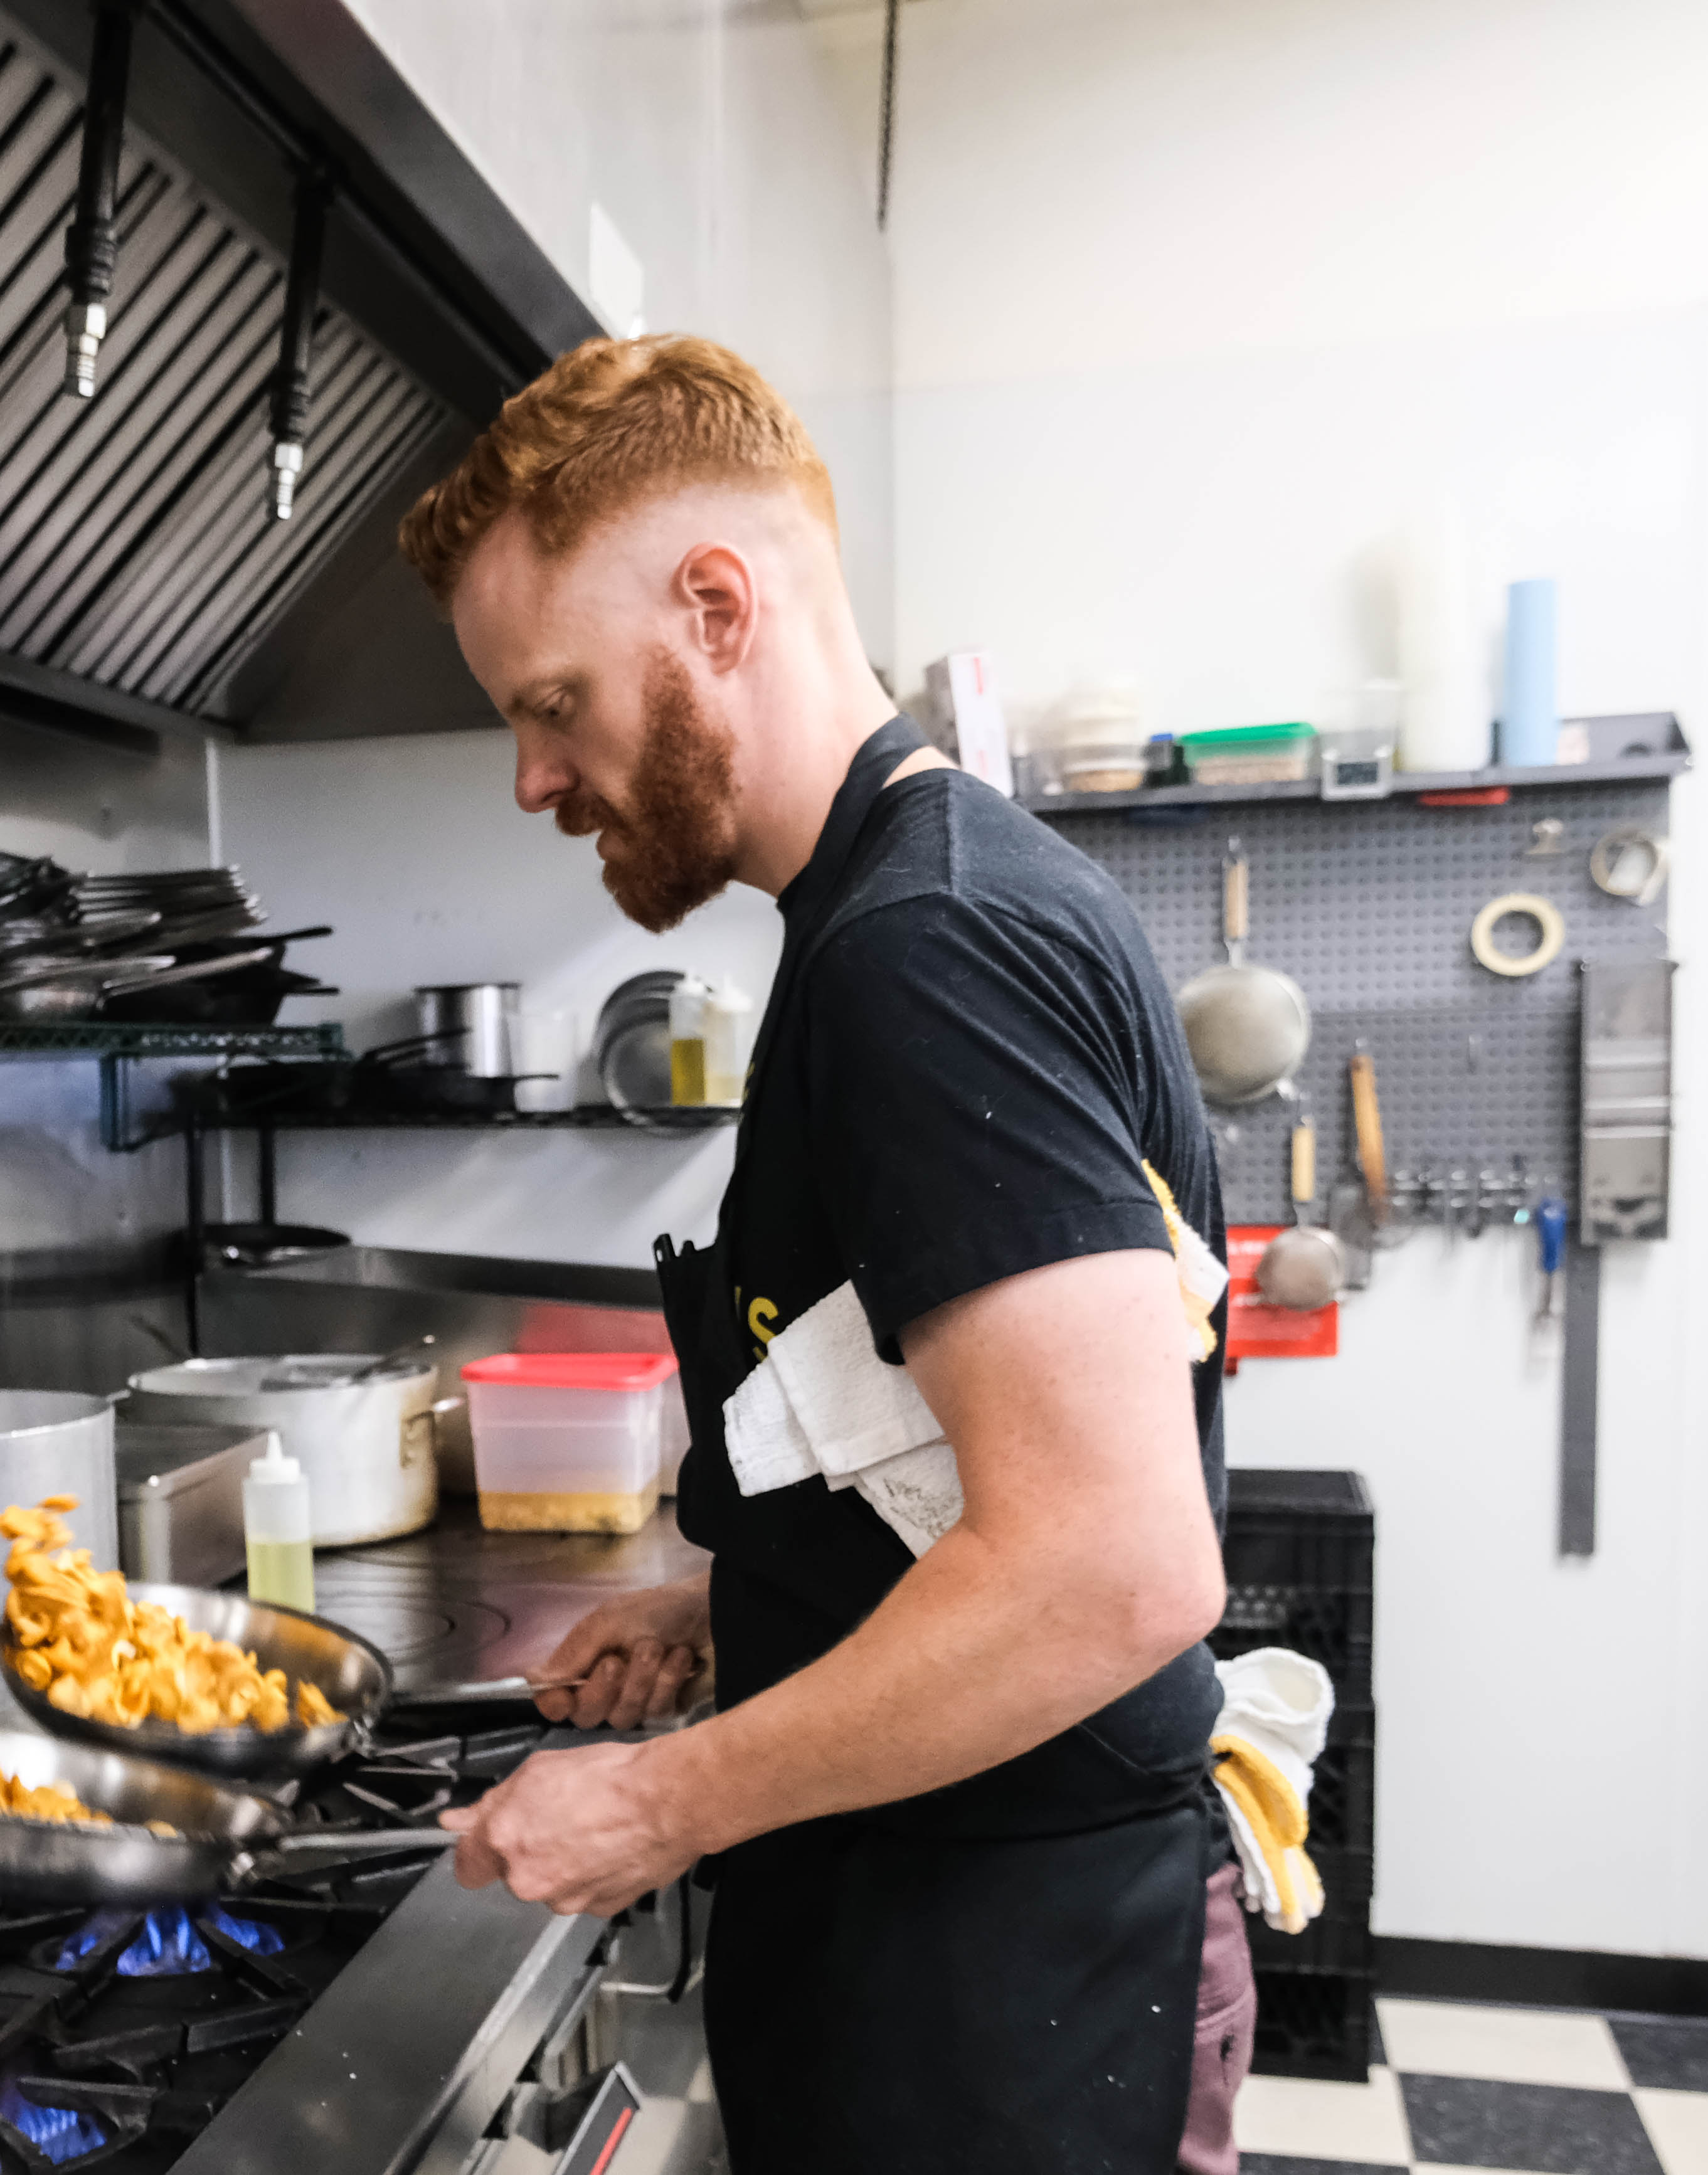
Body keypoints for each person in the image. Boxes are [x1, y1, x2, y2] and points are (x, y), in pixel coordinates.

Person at [403, 334, 1251, 2175]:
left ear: (717, 605)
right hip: (963, 1946)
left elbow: (1111, 1563)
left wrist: (653, 1804)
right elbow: (983, 1461)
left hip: (999, 1988)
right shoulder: (907, 901)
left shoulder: (919, 950)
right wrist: (747, 1602)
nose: (534, 777)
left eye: (551, 700)